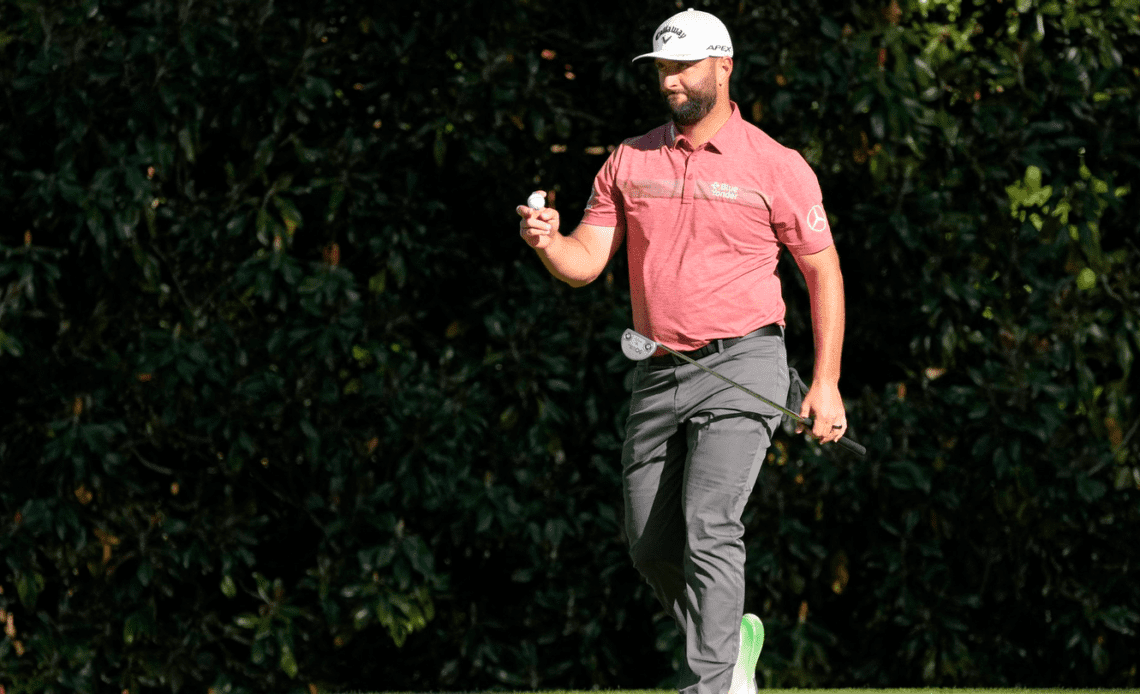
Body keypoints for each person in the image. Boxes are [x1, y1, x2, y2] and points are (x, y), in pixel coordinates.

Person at [515, 8, 848, 694]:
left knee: (709, 520)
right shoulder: (629, 159)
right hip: (659, 371)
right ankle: (730, 645)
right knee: (649, 542)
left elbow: (823, 271)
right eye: (663, 67)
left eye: (684, 66)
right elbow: (586, 261)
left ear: (724, 67)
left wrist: (826, 382)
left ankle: (714, 687)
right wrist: (549, 242)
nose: (671, 79)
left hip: (746, 361)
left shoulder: (775, 165)